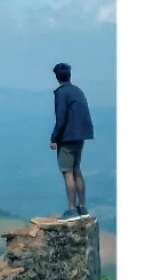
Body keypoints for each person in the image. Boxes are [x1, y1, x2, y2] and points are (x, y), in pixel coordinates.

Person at [49, 62, 94, 217]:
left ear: (56, 77)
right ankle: (82, 207)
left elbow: (61, 117)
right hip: (81, 135)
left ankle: (71, 209)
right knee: (76, 170)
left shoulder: (61, 93)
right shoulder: (77, 91)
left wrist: (54, 138)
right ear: (70, 75)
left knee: (67, 172)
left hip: (67, 137)